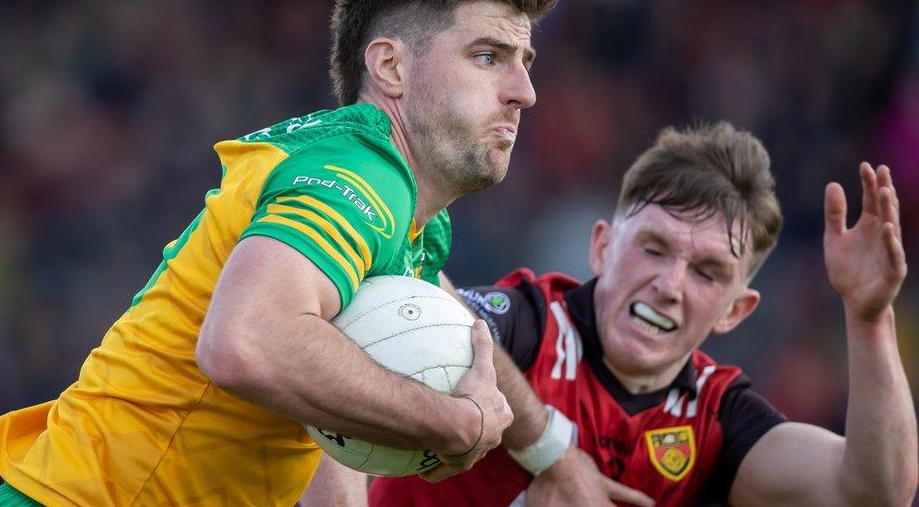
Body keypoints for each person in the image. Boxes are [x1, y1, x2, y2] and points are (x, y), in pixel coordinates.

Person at [0, 0, 560, 506]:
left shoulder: (408, 222)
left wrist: (550, 454)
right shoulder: (360, 177)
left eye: (525, 62)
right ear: (390, 68)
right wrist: (451, 422)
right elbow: (245, 342)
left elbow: (322, 407)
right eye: (488, 57)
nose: (525, 92)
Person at [363, 123, 917, 506]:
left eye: (706, 272)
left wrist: (868, 319)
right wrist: (551, 452)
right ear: (601, 247)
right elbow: (428, 303)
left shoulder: (716, 418)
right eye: (654, 248)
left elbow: (873, 493)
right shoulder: (532, 323)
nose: (670, 285)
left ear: (735, 311)